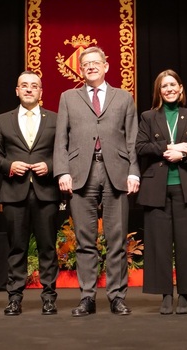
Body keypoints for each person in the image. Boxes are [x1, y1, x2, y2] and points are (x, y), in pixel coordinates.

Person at [53, 46, 140, 317]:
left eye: (95, 62)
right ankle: (87, 297)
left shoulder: (124, 98)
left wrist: (134, 171)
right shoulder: (68, 97)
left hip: (117, 171)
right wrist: (62, 171)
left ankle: (116, 297)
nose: (91, 66)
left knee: (116, 239)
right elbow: (61, 139)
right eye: (86, 63)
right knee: (85, 240)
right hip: (81, 173)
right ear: (81, 69)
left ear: (106, 66)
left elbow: (132, 139)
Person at [136, 69, 187, 315]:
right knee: (159, 243)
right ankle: (166, 294)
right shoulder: (148, 116)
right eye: (163, 86)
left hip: (185, 185)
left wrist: (183, 154)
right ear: (159, 91)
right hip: (156, 187)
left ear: (180, 88)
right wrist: (169, 147)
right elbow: (141, 147)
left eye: (172, 85)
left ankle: (185, 295)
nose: (168, 89)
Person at [0, 71, 60, 316]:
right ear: (16, 90)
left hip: (46, 192)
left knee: (48, 248)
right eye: (24, 86)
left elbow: (65, 152)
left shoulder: (55, 119)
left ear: (41, 92)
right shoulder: (2, 120)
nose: (29, 90)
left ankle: (49, 298)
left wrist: (50, 166)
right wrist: (9, 166)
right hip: (14, 193)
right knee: (16, 248)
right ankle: (14, 299)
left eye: (34, 86)